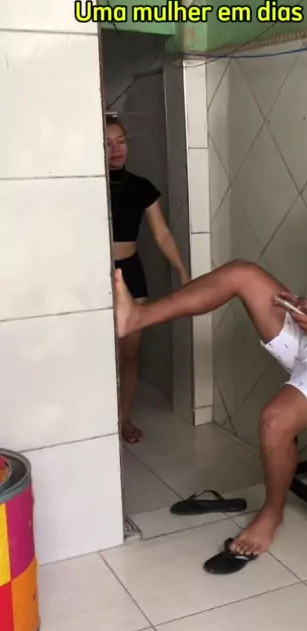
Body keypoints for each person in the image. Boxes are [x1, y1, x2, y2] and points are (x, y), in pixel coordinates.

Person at [113, 162, 307, 553]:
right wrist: (305, 306)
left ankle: (272, 514)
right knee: (241, 273)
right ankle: (139, 316)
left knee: (274, 420)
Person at [106, 115, 190, 443]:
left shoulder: (141, 187)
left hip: (130, 272)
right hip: (93, 274)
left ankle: (122, 418)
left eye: (121, 141)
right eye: (107, 143)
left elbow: (162, 234)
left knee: (129, 353)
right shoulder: (87, 186)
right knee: (99, 352)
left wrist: (181, 270)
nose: (116, 149)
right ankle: (97, 423)